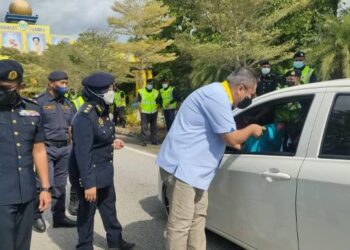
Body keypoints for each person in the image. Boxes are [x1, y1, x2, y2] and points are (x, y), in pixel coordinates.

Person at [156, 68, 265, 250]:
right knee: (181, 225)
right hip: (183, 170)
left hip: (196, 171)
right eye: (250, 94)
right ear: (240, 88)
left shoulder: (219, 95)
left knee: (198, 219)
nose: (249, 99)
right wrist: (252, 129)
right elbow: (231, 138)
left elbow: (224, 134)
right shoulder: (217, 97)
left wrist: (240, 142)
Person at [69, 72, 135, 250]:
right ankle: (84, 246)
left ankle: (115, 241)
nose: (112, 91)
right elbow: (82, 153)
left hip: (104, 170)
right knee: (87, 214)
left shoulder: (102, 109)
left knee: (109, 208)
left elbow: (98, 138)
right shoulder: (84, 116)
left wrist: (112, 142)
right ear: (97, 92)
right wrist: (89, 183)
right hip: (89, 173)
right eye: (109, 89)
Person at [0, 59, 51, 249]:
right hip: (2, 196)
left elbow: (39, 151)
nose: (5, 92)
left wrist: (45, 188)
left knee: (23, 245)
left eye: (10, 88)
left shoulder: (33, 110)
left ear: (21, 85)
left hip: (27, 193)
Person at [33, 71, 77, 232]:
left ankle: (59, 217)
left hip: (65, 148)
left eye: (66, 83)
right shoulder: (39, 102)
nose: (65, 86)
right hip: (46, 148)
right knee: (44, 183)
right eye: (62, 83)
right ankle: (36, 215)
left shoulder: (67, 103)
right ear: (51, 83)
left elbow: (72, 127)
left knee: (60, 184)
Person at [137, 80, 160, 146]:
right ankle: (143, 141)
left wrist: (156, 110)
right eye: (149, 83)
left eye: (151, 84)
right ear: (146, 84)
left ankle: (154, 140)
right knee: (144, 127)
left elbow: (157, 103)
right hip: (144, 112)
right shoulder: (141, 91)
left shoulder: (156, 92)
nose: (150, 85)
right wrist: (140, 111)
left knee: (154, 127)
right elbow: (139, 103)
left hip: (153, 112)